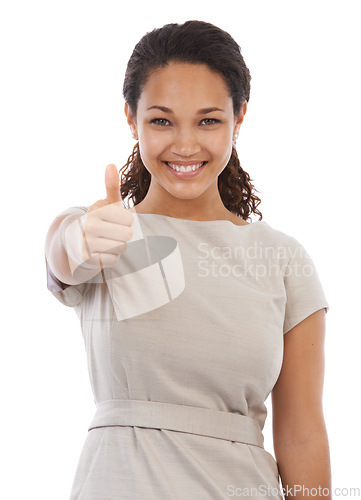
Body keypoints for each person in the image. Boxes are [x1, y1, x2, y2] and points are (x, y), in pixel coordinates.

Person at [44, 20, 332, 499]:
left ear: (238, 118)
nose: (184, 144)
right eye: (161, 120)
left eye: (208, 120)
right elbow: (62, 255)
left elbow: (302, 434)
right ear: (130, 117)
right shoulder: (104, 232)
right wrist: (79, 242)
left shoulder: (283, 259)